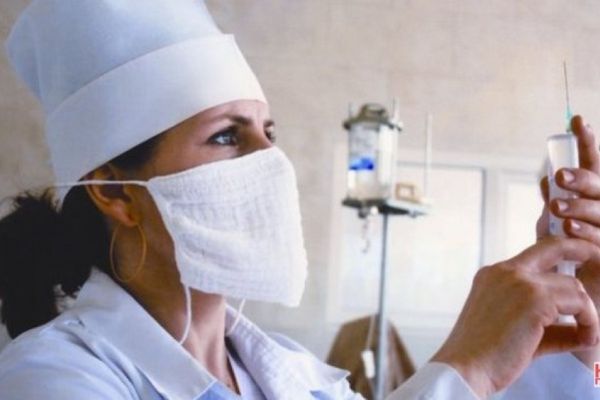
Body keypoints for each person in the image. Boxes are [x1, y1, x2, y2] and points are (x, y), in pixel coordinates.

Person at [0, 1, 599, 399]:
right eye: (227, 136)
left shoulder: (293, 375)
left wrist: (572, 321)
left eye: (270, 133)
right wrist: (464, 365)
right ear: (114, 192)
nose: (272, 162)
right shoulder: (53, 376)